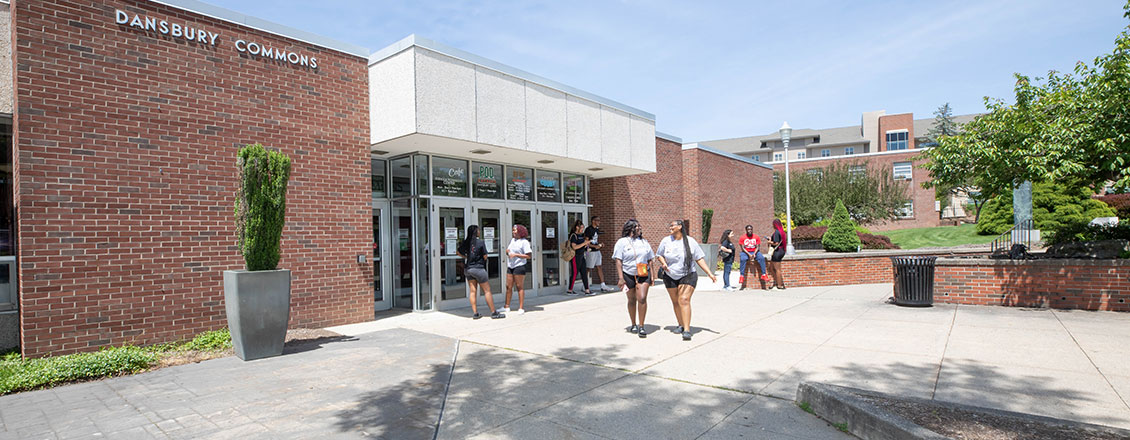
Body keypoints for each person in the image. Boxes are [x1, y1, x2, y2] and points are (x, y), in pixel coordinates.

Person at [657, 219, 717, 341]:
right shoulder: (666, 241)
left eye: (672, 225)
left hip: (688, 274)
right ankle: (680, 324)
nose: (670, 228)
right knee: (675, 301)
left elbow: (699, 258)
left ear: (680, 227)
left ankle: (687, 330)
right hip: (670, 275)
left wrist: (709, 273)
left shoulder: (690, 241)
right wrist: (663, 263)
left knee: (684, 299)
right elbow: (659, 255)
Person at [613, 219, 655, 338]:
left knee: (642, 298)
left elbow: (650, 259)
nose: (640, 228)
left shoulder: (644, 242)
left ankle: (642, 326)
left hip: (643, 273)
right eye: (637, 226)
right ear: (630, 228)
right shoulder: (621, 242)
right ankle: (633, 324)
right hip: (628, 273)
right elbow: (618, 260)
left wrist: (652, 274)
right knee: (631, 300)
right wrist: (621, 278)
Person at [457, 225, 504, 319]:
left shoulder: (466, 242)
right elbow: (485, 256)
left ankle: (475, 313)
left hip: (468, 269)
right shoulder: (480, 242)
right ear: (476, 232)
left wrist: (466, 257)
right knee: (487, 291)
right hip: (479, 269)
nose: (479, 231)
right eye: (478, 230)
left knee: (472, 291)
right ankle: (493, 312)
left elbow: (458, 252)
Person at [501, 225, 532, 315]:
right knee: (508, 286)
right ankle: (506, 306)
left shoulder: (524, 242)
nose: (513, 232)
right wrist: (508, 252)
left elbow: (528, 256)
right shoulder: (513, 240)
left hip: (519, 266)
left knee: (519, 286)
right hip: (511, 265)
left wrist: (516, 255)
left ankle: (521, 308)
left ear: (520, 231)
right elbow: (509, 250)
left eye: (515, 230)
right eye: (513, 230)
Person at [584, 216, 612, 292]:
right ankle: (585, 285)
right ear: (593, 221)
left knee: (599, 266)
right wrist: (594, 246)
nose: (599, 222)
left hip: (597, 251)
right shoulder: (588, 230)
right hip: (591, 251)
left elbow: (594, 240)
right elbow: (586, 243)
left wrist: (599, 244)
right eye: (598, 220)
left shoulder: (596, 229)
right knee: (588, 268)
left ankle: (603, 285)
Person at [738, 225, 769, 291]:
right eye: (748, 229)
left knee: (761, 258)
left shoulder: (756, 237)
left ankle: (764, 274)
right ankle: (742, 275)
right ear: (746, 230)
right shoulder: (742, 237)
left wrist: (754, 254)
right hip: (746, 252)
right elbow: (742, 248)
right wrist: (749, 254)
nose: (750, 231)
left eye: (751, 229)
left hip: (755, 251)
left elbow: (758, 247)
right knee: (743, 259)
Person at [566, 219, 592, 295]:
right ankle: (570, 290)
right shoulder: (573, 236)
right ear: (577, 227)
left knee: (584, 272)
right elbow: (574, 247)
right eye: (581, 228)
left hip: (581, 255)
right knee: (574, 273)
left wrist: (586, 245)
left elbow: (582, 245)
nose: (582, 229)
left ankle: (587, 289)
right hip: (575, 256)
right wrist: (584, 243)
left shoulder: (581, 235)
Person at [767, 219, 788, 290]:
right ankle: (778, 282)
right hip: (781, 250)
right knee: (772, 268)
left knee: (777, 269)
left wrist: (770, 242)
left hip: (777, 251)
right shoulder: (782, 232)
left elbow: (776, 243)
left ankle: (780, 285)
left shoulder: (776, 232)